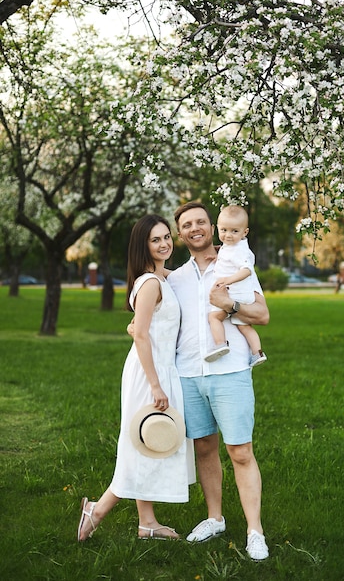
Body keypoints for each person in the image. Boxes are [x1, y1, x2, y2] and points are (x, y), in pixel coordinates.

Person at [77, 214, 195, 543]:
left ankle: (148, 524)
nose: (165, 243)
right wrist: (156, 384)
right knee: (141, 444)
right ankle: (97, 511)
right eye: (155, 240)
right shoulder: (151, 283)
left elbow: (189, 276)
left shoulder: (162, 277)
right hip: (149, 372)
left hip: (160, 368)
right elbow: (141, 335)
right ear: (143, 246)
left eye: (166, 237)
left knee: (150, 443)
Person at [169, 201, 270, 560]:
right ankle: (215, 518)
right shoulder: (174, 278)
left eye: (200, 222)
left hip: (230, 372)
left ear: (212, 227)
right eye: (186, 225)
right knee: (204, 449)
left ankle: (254, 531)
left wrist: (229, 305)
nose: (194, 228)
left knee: (240, 451)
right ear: (180, 234)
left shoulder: (235, 263)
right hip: (189, 375)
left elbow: (262, 314)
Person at [204, 204, 267, 367]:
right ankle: (257, 352)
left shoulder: (240, 251)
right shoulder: (232, 246)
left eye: (234, 231)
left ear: (245, 232)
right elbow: (227, 256)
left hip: (235, 294)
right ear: (217, 228)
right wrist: (217, 258)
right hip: (240, 294)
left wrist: (228, 280)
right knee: (244, 326)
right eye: (224, 230)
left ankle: (220, 344)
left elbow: (246, 270)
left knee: (214, 317)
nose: (228, 235)